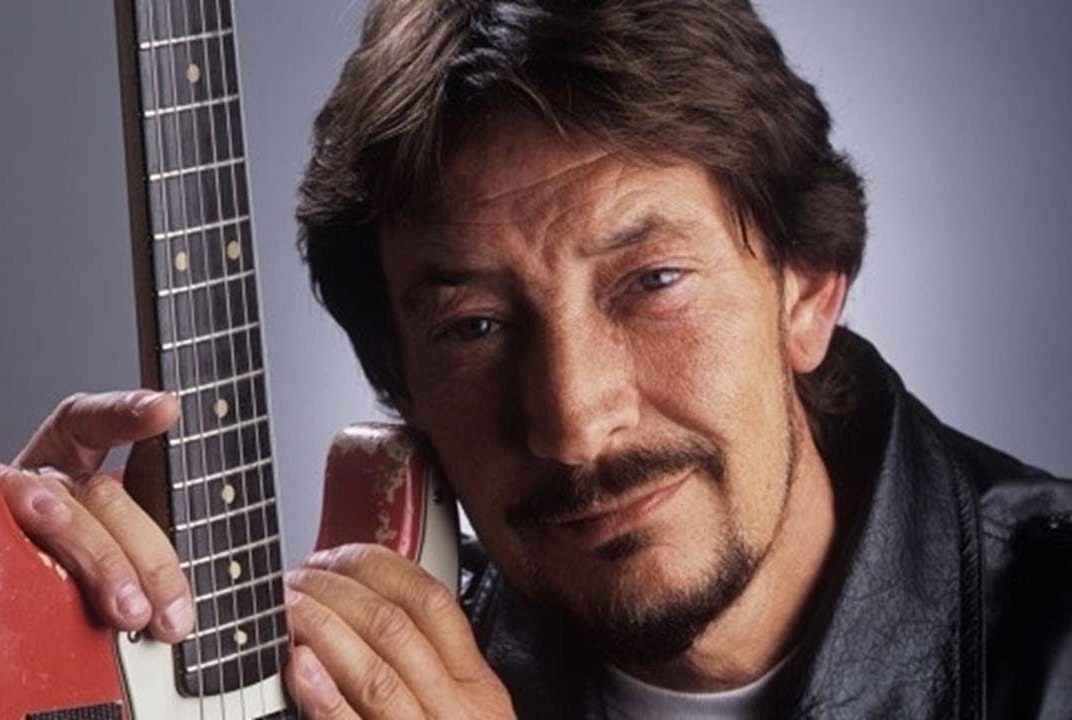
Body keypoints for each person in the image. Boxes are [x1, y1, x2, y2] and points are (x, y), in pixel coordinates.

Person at [2, 1, 1070, 718]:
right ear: (401, 386)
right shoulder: (361, 680)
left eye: (651, 283)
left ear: (810, 286)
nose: (571, 417)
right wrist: (48, 660)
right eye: (473, 327)